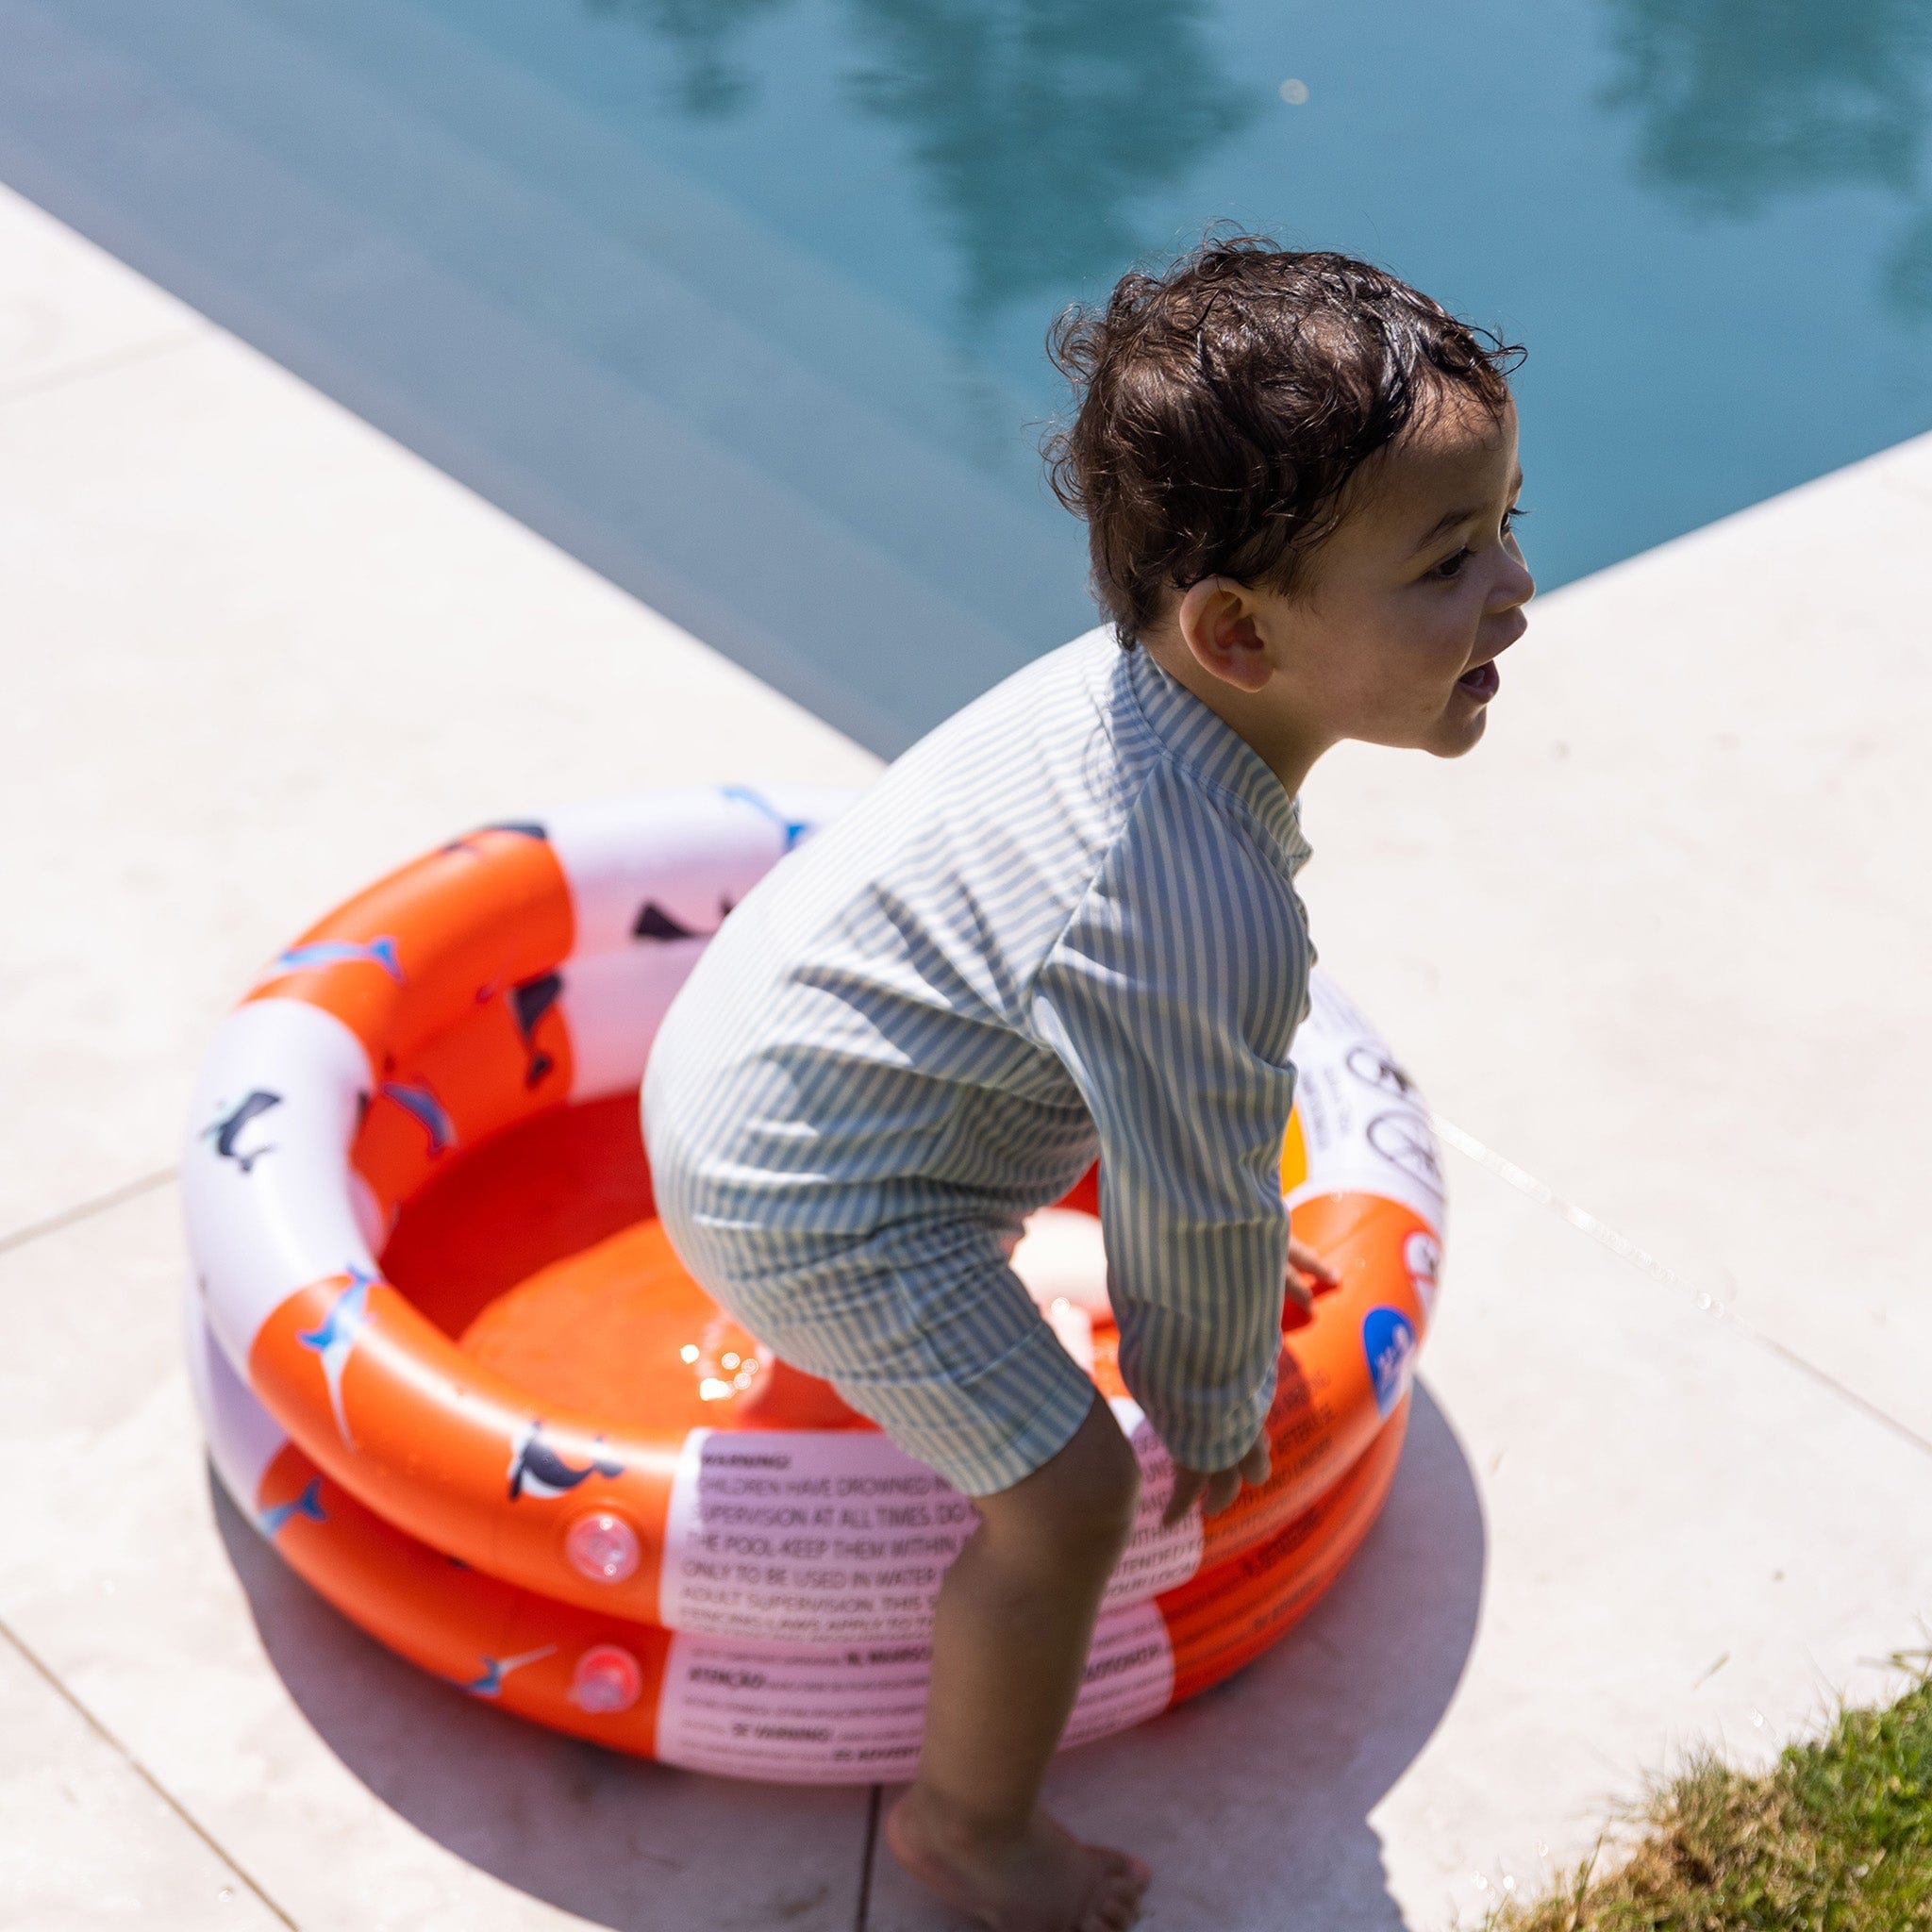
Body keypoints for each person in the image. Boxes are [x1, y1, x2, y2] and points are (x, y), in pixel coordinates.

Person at [643, 237, 1533, 1932]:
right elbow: (1198, 1203)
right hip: (812, 1209)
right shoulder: (1190, 904)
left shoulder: (1127, 690)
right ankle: (967, 1830)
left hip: (735, 1074)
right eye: (1446, 559)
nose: (1514, 587)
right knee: (1073, 1499)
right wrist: (1208, 1401)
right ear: (1238, 633)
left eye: (1504, 521)